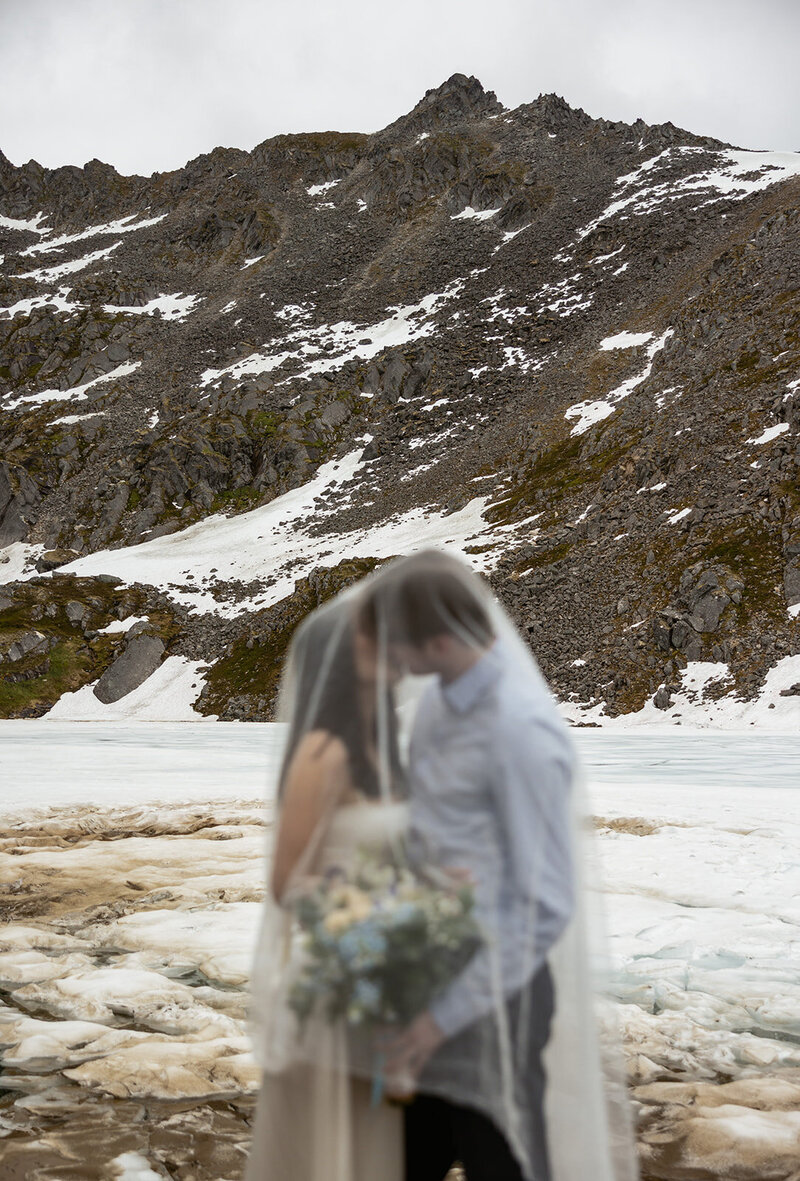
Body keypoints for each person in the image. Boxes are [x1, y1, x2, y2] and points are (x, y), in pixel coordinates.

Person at [357, 550, 638, 1181]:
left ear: (437, 638)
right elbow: (432, 829)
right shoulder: (435, 705)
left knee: (499, 1161)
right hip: (430, 968)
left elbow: (544, 906)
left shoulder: (522, 732)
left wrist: (441, 1020)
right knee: (406, 1158)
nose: (390, 660)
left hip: (498, 998)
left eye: (397, 643)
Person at [245, 597, 408, 1181]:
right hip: (334, 982)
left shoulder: (381, 754)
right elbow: (287, 882)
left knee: (370, 1149)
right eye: (371, 641)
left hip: (381, 980)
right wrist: (370, 915)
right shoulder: (321, 754)